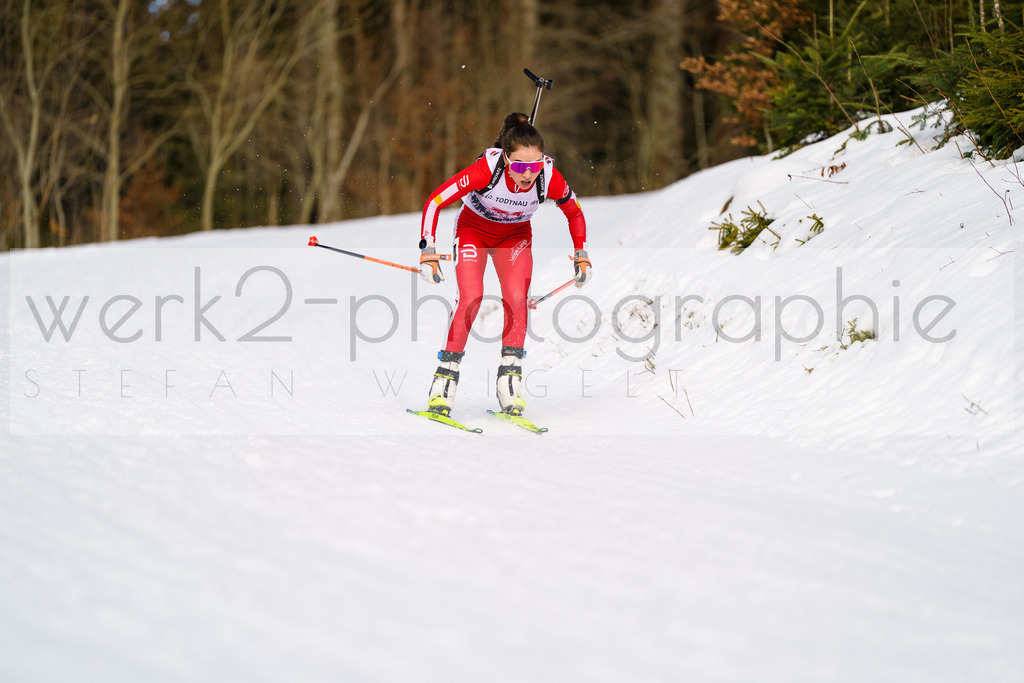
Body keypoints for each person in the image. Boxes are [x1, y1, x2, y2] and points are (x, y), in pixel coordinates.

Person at [417, 112, 591, 418]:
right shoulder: (488, 169)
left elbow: (574, 212)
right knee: (471, 297)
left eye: (536, 165)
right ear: (506, 160)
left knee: (517, 299)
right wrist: (428, 249)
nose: (529, 174)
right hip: (473, 231)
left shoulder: (549, 177)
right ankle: (443, 382)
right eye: (521, 166)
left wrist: (581, 254)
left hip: (515, 236)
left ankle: (509, 383)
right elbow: (435, 200)